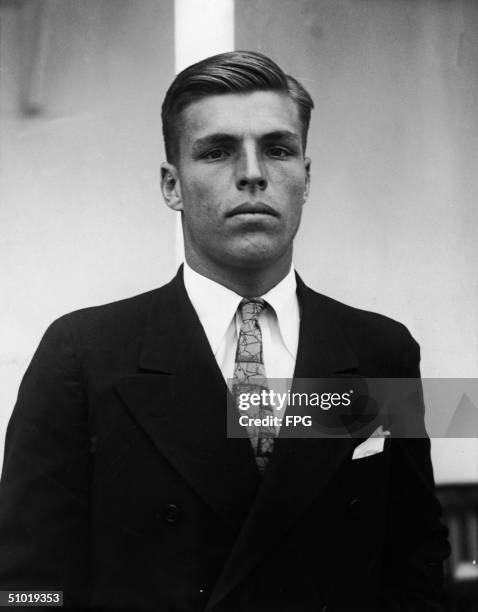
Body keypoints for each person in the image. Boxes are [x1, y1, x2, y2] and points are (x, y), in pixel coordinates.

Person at [0, 51, 449, 611]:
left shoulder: (380, 349)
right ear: (172, 185)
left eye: (279, 149)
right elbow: (27, 583)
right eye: (216, 152)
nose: (253, 173)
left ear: (306, 179)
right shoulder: (82, 353)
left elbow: (416, 559)